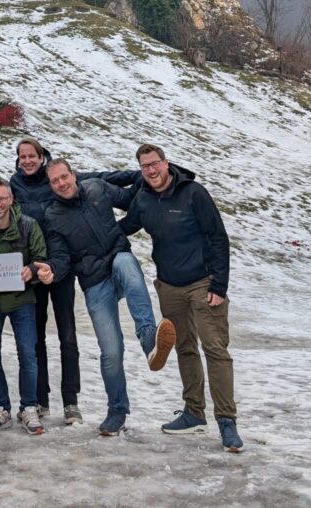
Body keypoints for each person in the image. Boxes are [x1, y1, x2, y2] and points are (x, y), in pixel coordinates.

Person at [10, 136, 140, 425]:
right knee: (36, 337)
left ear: (42, 157)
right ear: (18, 160)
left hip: (62, 266)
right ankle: (41, 401)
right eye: (23, 157)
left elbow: (102, 178)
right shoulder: (12, 186)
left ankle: (71, 401)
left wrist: (137, 175)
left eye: (33, 155)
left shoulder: (58, 178)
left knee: (67, 335)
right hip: (33, 270)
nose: (28, 160)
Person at [121, 144, 243, 453]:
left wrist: (220, 286)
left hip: (203, 283)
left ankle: (227, 421)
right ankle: (193, 412)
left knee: (215, 349)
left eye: (155, 163)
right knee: (184, 348)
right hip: (169, 286)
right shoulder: (143, 199)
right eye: (145, 166)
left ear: (166, 163)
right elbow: (126, 227)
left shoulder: (193, 193)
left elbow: (218, 236)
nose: (151, 170)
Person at [44, 158, 176, 437]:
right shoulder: (52, 216)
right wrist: (52, 271)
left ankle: (148, 337)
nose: (61, 184)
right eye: (55, 181)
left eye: (64, 177)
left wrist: (149, 177)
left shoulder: (96, 188)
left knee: (128, 265)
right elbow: (60, 258)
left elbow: (130, 199)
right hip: (93, 281)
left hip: (117, 259)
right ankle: (117, 411)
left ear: (74, 175)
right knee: (111, 352)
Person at [0, 177, 53, 435]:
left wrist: (32, 271)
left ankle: (29, 407)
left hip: (22, 301)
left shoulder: (28, 225)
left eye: (3, 198)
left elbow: (41, 258)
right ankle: (1, 407)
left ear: (11, 199)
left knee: (28, 354)